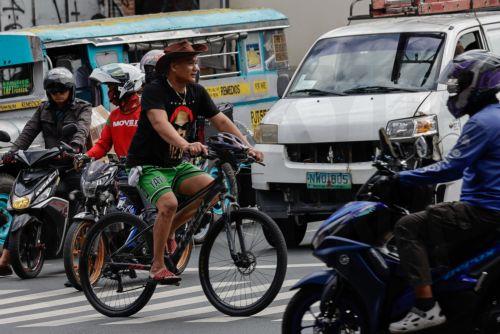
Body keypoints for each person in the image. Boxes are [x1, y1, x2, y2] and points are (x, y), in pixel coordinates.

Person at [126, 39, 263, 284]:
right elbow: (160, 124)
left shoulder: (196, 92)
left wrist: (247, 146)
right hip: (147, 164)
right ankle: (157, 267)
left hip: (176, 164)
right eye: (189, 63)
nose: (195, 67)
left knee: (211, 191)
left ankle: (168, 230)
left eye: (195, 62)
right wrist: (186, 145)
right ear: (173, 67)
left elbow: (221, 120)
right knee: (168, 204)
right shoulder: (155, 90)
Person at [388, 50, 500, 333]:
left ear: (477, 84)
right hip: (491, 211)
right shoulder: (494, 117)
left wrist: (402, 178)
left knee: (407, 227)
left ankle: (426, 308)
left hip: (482, 212)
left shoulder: (482, 122)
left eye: (459, 83)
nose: (455, 90)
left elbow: (451, 168)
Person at [0, 67, 92, 277]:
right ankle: (5, 259)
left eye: (62, 90)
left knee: (79, 196)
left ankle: (84, 244)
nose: (58, 94)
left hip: (73, 164)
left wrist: (75, 147)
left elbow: (82, 129)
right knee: (22, 202)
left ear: (71, 90)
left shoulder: (82, 107)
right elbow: (28, 133)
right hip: (49, 165)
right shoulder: (43, 109)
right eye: (53, 90)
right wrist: (12, 153)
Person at [82, 63, 144, 160]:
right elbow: (103, 144)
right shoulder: (114, 115)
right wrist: (86, 156)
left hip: (148, 170)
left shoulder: (148, 112)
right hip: (125, 170)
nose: (109, 92)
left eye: (111, 87)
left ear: (124, 86)